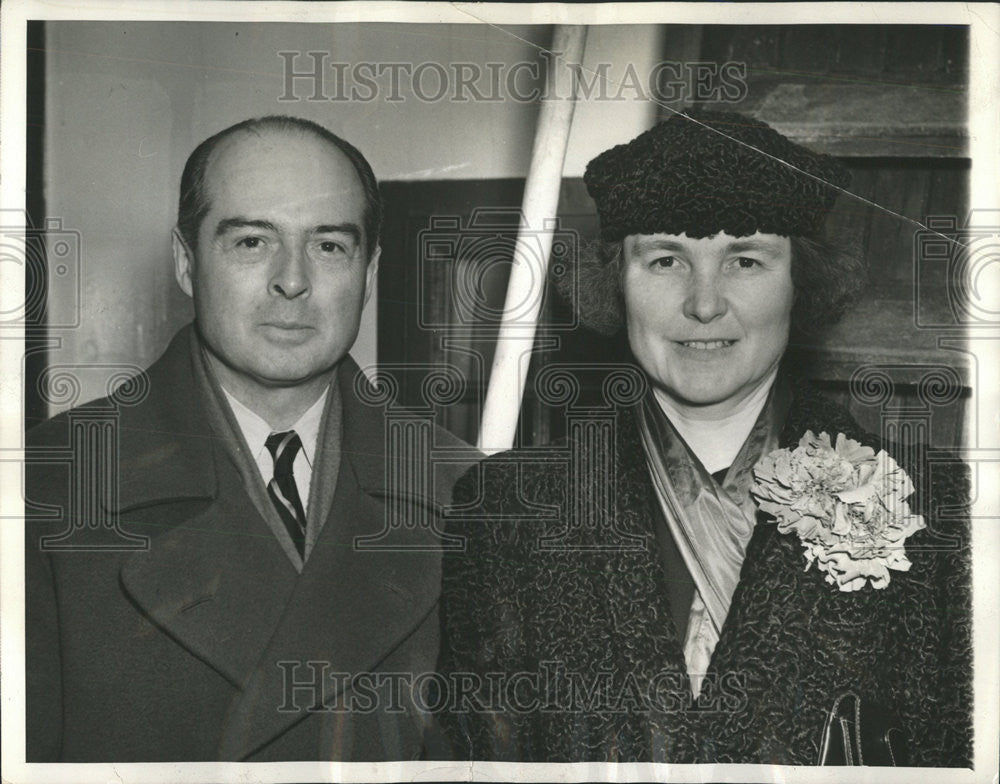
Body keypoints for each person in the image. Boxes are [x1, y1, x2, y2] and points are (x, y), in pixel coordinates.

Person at [437, 109, 972, 765]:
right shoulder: (509, 507)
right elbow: (475, 759)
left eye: (745, 260)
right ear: (617, 281)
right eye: (666, 260)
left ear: (802, 282)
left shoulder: (936, 509)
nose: (703, 304)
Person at [25, 115, 469, 761]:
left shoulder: (471, 493)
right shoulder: (42, 489)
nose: (292, 280)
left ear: (368, 274)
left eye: (329, 245)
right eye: (252, 242)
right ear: (185, 262)